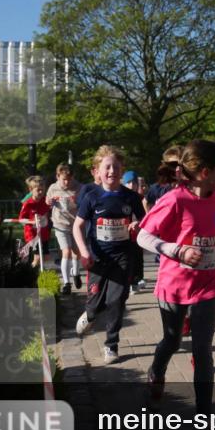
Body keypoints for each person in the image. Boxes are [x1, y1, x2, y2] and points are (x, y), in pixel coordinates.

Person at [138, 140, 215, 415]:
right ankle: (157, 370)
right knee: (171, 341)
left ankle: (204, 416)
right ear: (205, 172)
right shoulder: (175, 199)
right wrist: (177, 251)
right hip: (174, 284)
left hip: (207, 285)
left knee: (202, 349)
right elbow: (143, 236)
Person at [72, 145, 145, 364]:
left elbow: (145, 221)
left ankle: (111, 345)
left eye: (116, 167)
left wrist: (137, 224)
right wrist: (84, 252)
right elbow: (77, 226)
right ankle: (90, 314)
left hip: (123, 256)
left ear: (122, 170)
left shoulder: (131, 197)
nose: (111, 171)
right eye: (107, 167)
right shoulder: (92, 197)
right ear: (97, 170)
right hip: (97, 257)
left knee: (116, 300)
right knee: (95, 304)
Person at [46, 163, 82, 294]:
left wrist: (77, 200)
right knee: (66, 251)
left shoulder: (79, 187)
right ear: (57, 176)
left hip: (76, 224)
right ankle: (66, 283)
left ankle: (76, 273)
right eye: (63, 179)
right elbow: (47, 200)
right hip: (60, 223)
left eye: (69, 179)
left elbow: (85, 201)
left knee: (76, 252)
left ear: (73, 177)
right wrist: (49, 202)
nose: (66, 182)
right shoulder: (53, 187)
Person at [18, 175, 51, 269]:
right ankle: (30, 273)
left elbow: (50, 211)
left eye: (42, 189)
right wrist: (32, 222)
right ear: (31, 189)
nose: (41, 192)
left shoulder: (45, 201)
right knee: (37, 257)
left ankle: (43, 275)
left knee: (47, 257)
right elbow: (21, 219)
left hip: (44, 234)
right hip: (32, 235)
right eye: (38, 190)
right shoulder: (27, 203)